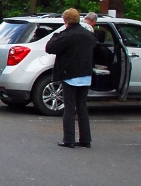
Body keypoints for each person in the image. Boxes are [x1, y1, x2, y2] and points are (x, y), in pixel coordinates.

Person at [45, 8, 110, 148]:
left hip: (70, 74)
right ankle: (85, 139)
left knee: (69, 107)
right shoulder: (89, 35)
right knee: (82, 107)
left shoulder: (66, 35)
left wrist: (56, 35)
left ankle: (69, 139)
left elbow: (50, 48)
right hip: (85, 74)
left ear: (65, 20)